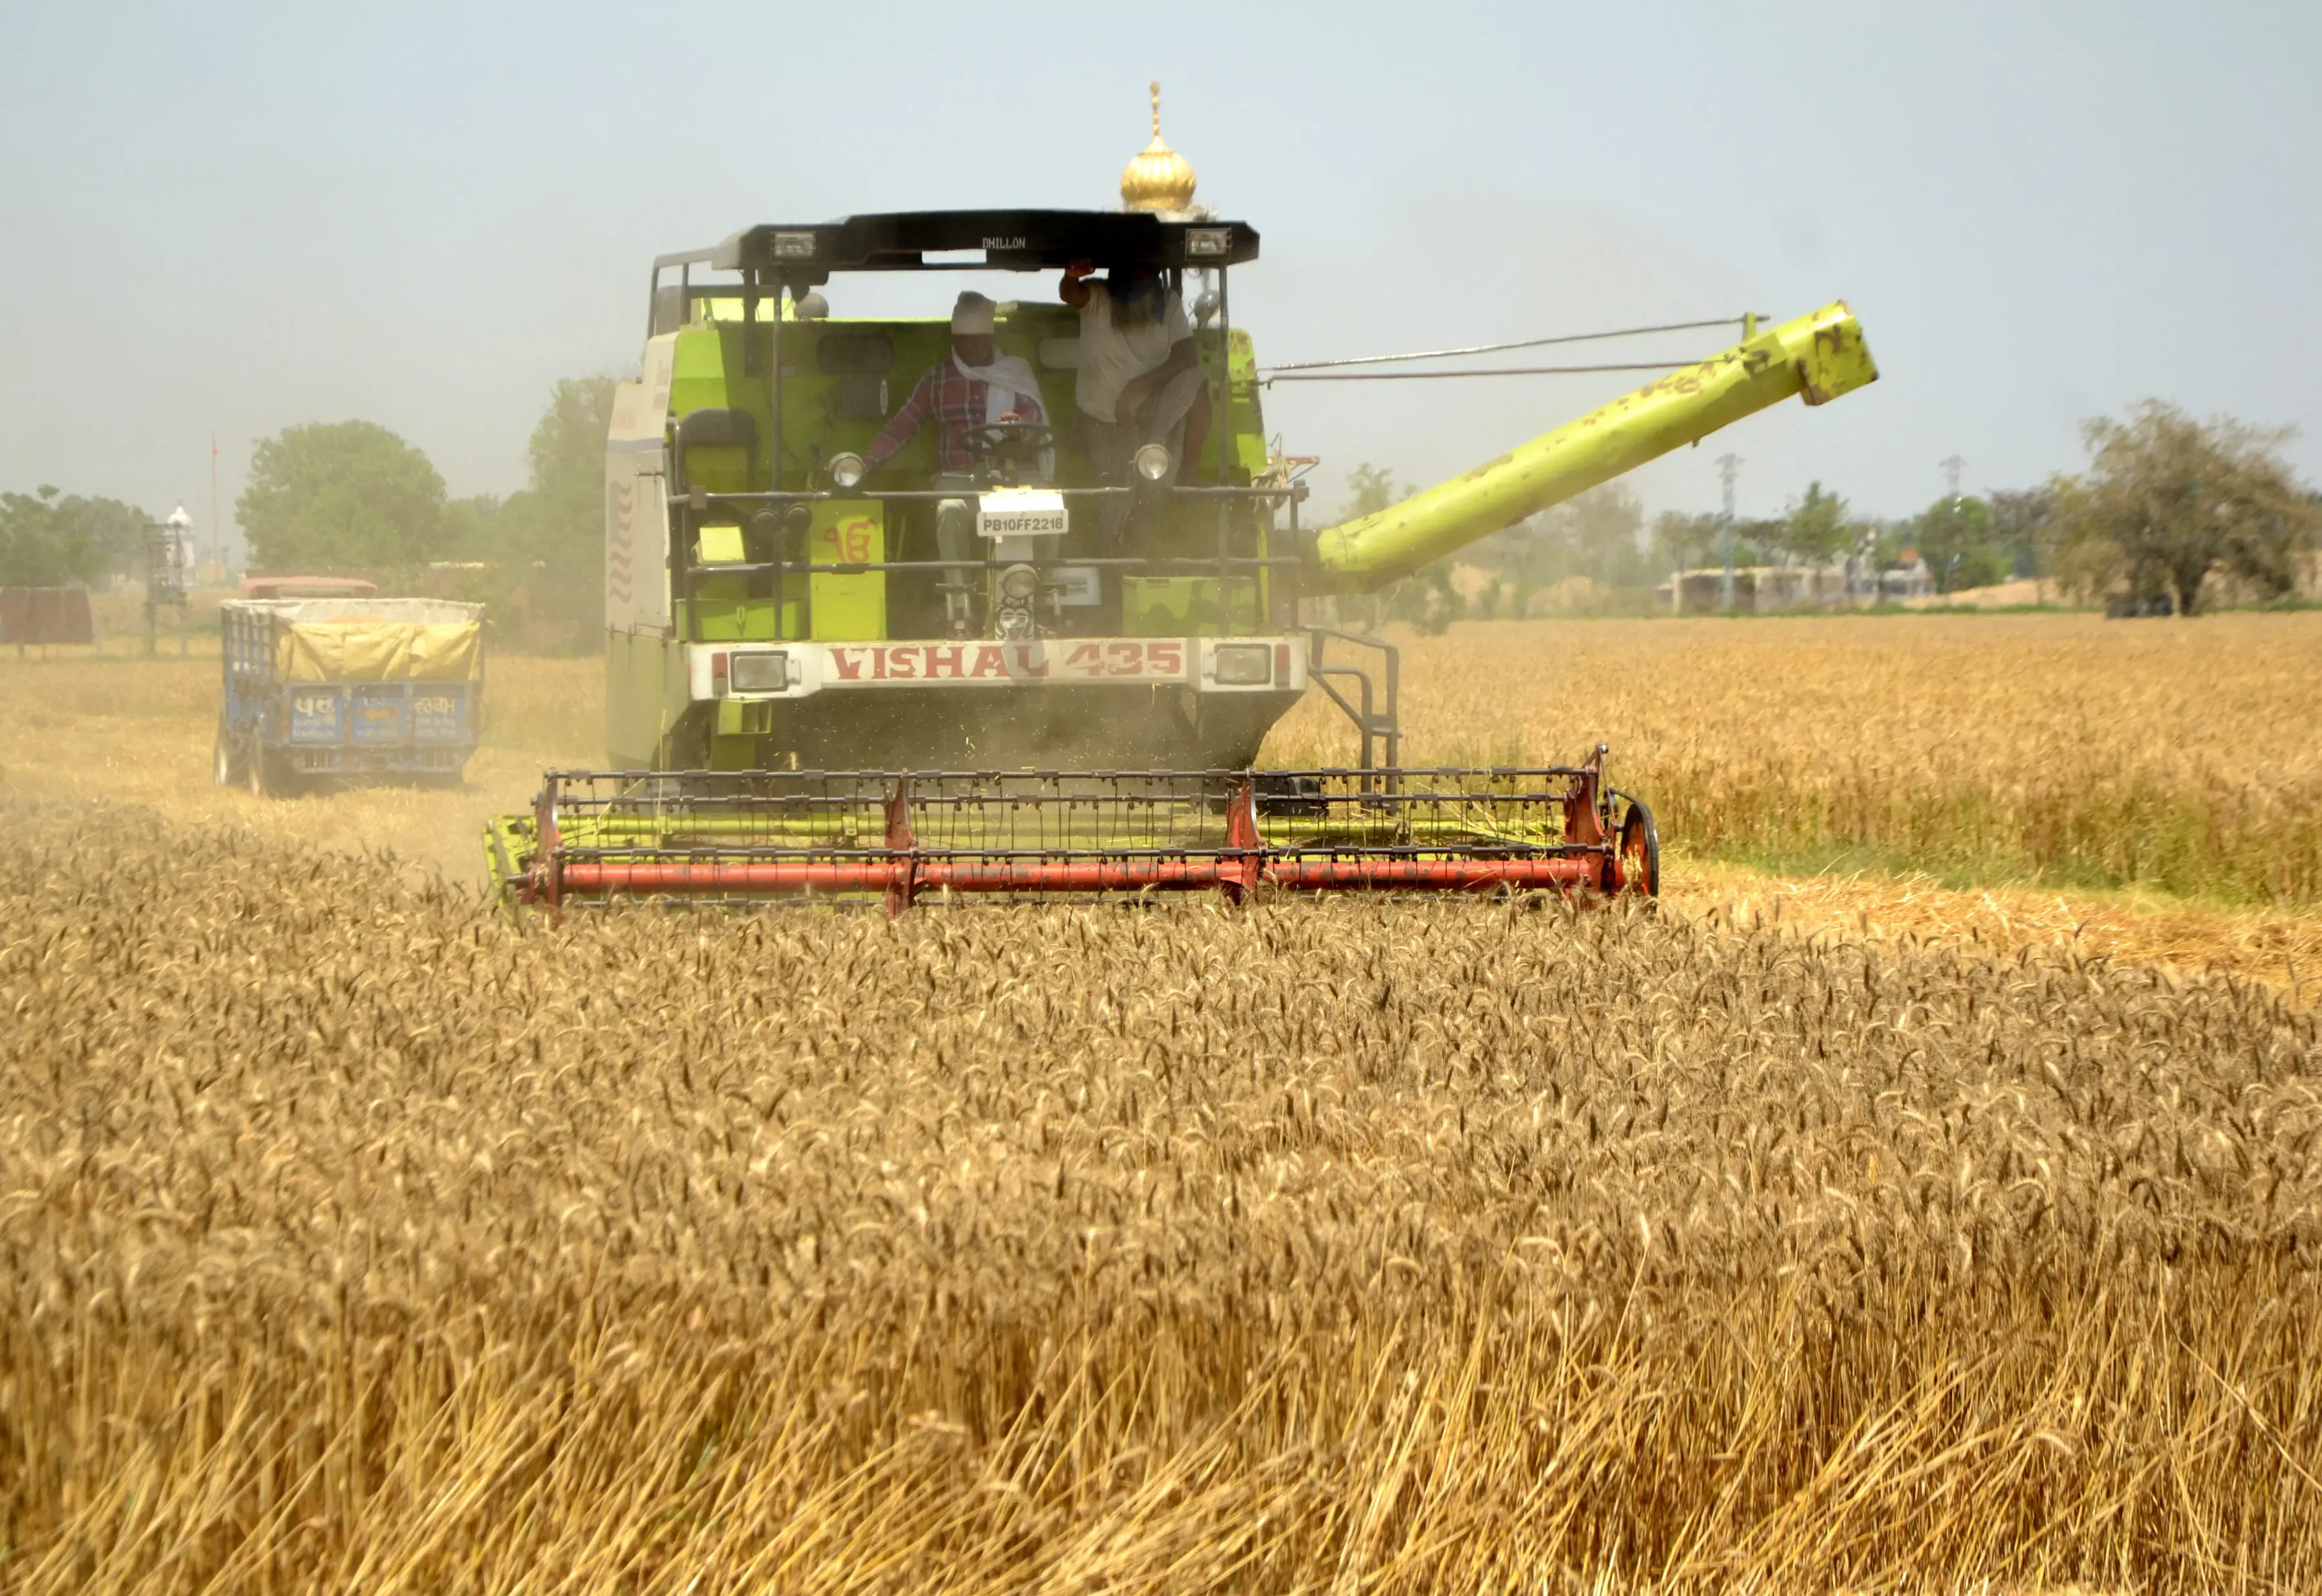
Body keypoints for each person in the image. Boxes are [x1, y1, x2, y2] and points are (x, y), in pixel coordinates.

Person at [862, 292, 1051, 632]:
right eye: (961, 341)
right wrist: (867, 463)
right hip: (958, 477)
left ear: (990, 339)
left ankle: (1045, 596)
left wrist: (1017, 426)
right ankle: (960, 605)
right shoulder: (937, 379)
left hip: (1012, 477)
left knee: (1053, 508)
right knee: (949, 509)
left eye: (975, 341)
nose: (968, 348)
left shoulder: (1015, 372)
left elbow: (1034, 416)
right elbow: (903, 424)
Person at [1060, 261, 1211, 547]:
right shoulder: (1098, 299)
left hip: (1150, 416)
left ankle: (1188, 473)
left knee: (1196, 381)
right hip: (1103, 421)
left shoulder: (1168, 304)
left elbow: (1187, 357)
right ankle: (1110, 558)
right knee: (1118, 498)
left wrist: (1137, 387)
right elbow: (1070, 293)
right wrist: (1070, 276)